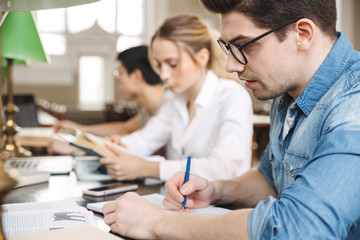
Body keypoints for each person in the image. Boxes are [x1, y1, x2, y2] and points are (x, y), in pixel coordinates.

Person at [102, 0, 360, 239]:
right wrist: (216, 190)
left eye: (245, 45)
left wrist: (156, 223)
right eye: (229, 47)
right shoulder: (286, 93)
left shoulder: (353, 105)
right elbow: (270, 180)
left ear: (303, 34)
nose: (230, 66)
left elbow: (295, 229)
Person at [100, 14, 253, 181]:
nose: (164, 75)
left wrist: (148, 168)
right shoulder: (175, 100)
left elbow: (224, 168)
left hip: (225, 204)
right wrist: (117, 146)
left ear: (202, 57)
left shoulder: (232, 96)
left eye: (172, 64)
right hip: (182, 200)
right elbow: (144, 141)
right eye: (159, 65)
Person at [47, 45, 170, 155]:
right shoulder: (149, 108)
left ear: (136, 76)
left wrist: (76, 147)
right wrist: (80, 128)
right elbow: (126, 128)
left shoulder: (168, 108)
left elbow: (138, 141)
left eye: (119, 74)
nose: (117, 82)